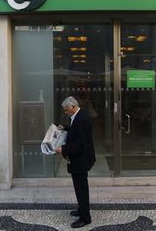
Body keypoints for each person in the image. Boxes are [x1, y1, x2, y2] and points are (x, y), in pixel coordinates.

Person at [55, 96, 96, 228]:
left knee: (81, 188)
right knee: (79, 187)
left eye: (66, 110)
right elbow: (76, 133)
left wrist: (63, 149)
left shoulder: (81, 119)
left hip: (81, 160)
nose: (65, 113)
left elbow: (81, 145)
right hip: (78, 160)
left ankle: (85, 218)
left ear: (73, 107)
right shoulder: (78, 116)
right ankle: (81, 209)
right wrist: (65, 128)